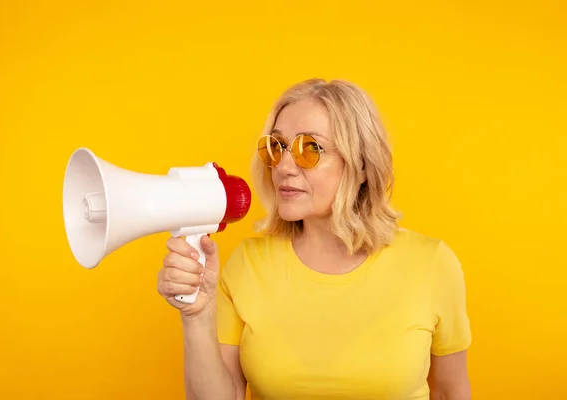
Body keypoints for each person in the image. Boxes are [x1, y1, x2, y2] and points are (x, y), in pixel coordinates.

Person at [157, 78, 472, 400]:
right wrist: (196, 317)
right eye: (276, 147)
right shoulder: (247, 263)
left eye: (311, 148)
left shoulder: (431, 263)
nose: (284, 167)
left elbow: (449, 392)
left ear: (362, 164)